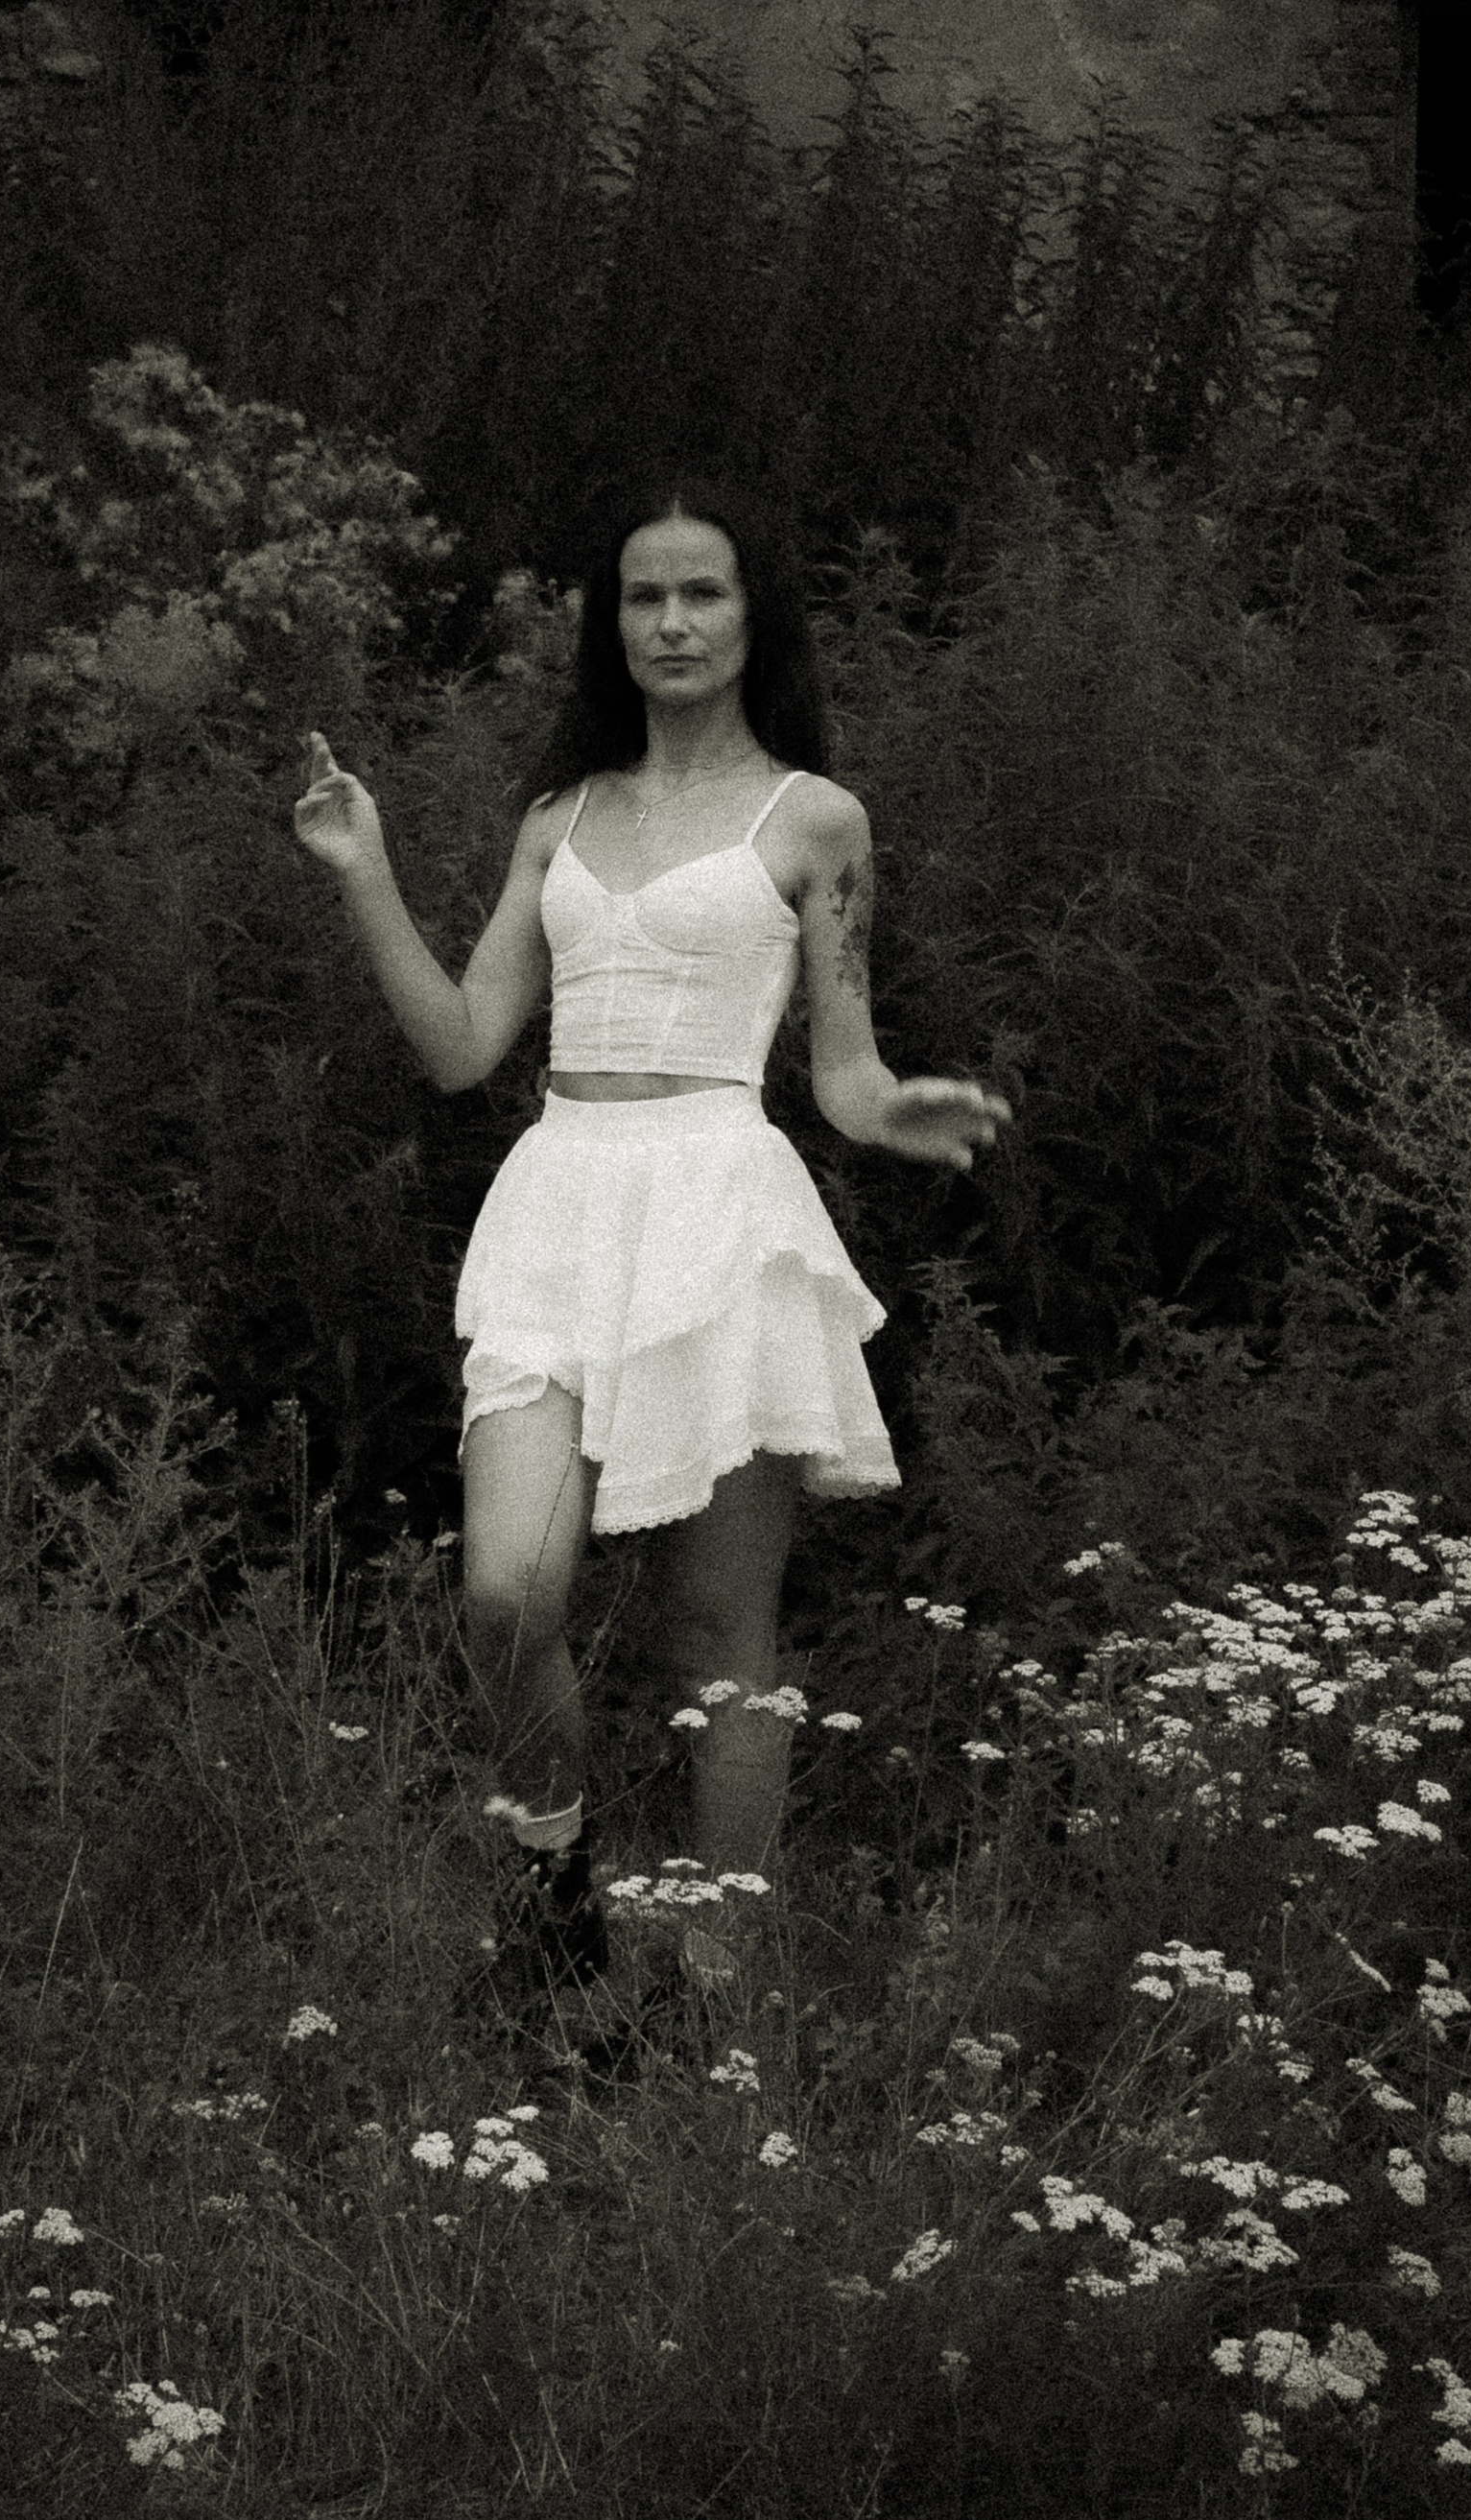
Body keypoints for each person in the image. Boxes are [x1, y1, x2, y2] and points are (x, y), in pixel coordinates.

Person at [291, 481, 1008, 2017]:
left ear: (754, 616)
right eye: (644, 596)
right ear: (611, 624)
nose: (673, 622)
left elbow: (842, 1070)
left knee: (717, 1630)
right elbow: (462, 1046)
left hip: (720, 1213)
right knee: (508, 1589)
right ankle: (554, 1899)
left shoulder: (815, 820)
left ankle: (721, 1976)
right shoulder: (559, 816)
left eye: (703, 593)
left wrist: (893, 1109)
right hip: (558, 1208)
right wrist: (364, 872)